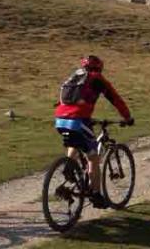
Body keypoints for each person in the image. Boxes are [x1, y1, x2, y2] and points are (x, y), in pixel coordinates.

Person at [54, 55, 134, 209]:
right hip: (77, 120)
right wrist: (127, 117)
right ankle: (96, 194)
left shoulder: (74, 77)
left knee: (76, 142)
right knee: (93, 156)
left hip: (60, 120)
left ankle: (69, 166)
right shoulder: (97, 78)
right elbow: (115, 99)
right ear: (99, 68)